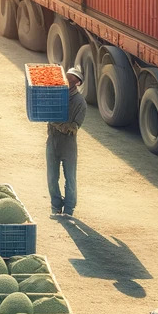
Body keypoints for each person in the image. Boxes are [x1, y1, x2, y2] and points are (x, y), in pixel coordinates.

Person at [47, 66, 88, 217]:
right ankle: (56, 206)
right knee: (52, 177)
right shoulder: (55, 95)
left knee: (70, 178)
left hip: (69, 145)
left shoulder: (80, 102)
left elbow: (74, 127)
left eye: (73, 78)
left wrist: (62, 125)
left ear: (78, 82)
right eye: (68, 76)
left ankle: (69, 209)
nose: (69, 79)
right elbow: (46, 113)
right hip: (52, 141)